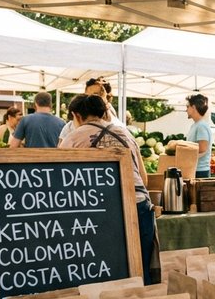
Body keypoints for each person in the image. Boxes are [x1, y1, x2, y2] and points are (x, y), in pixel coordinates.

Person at [60, 94, 159, 284]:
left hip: (100, 211)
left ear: (76, 115)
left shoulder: (72, 138)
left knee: (107, 270)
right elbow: (144, 178)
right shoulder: (125, 134)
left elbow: (63, 182)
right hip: (139, 204)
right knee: (140, 268)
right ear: (104, 112)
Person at [58, 76, 126, 144]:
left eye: (95, 95)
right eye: (87, 95)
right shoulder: (70, 126)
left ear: (106, 98)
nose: (90, 100)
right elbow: (61, 150)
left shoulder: (116, 126)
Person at [185, 93, 213, 178]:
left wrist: (183, 155)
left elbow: (202, 149)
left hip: (200, 171)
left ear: (193, 107)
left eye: (187, 107)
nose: (186, 110)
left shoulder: (201, 126)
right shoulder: (196, 125)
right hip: (195, 169)